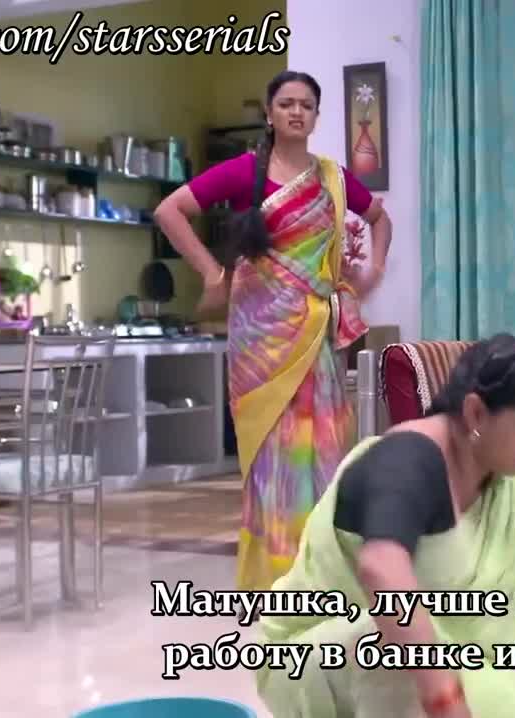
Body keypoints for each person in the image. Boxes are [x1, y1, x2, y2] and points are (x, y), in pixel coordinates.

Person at [254, 334, 515, 718]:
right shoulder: (404, 460)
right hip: (319, 657)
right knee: (394, 641)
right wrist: (447, 702)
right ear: (476, 414)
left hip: (451, 660)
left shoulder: (509, 488)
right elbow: (381, 569)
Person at [153, 70, 394, 591]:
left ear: (316, 116)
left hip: (315, 334)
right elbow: (170, 211)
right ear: (269, 114)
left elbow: (380, 219)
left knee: (322, 445)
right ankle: (275, 576)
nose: (296, 112)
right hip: (260, 341)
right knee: (271, 453)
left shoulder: (332, 178)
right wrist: (212, 273)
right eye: (286, 103)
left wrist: (371, 271)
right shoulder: (244, 171)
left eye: (306, 104)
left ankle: (323, 570)